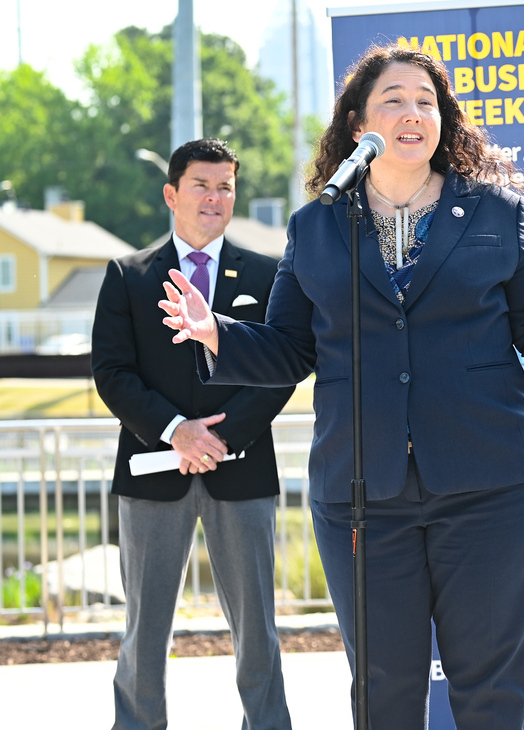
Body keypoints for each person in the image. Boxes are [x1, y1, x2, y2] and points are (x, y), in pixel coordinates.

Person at [158, 45, 524, 729]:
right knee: (382, 693)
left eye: (426, 100)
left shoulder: (495, 211)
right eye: (393, 100)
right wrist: (216, 332)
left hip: (492, 488)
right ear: (358, 125)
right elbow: (289, 348)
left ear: (444, 119)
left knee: (491, 692)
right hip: (364, 494)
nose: (412, 112)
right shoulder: (318, 225)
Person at [92, 138, 295, 730]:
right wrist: (177, 431)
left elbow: (280, 369)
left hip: (244, 469)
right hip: (153, 474)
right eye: (202, 185)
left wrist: (220, 441)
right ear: (171, 193)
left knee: (258, 628)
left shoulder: (268, 272)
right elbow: (112, 373)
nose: (214, 197)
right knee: (144, 629)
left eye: (226, 186)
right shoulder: (127, 275)